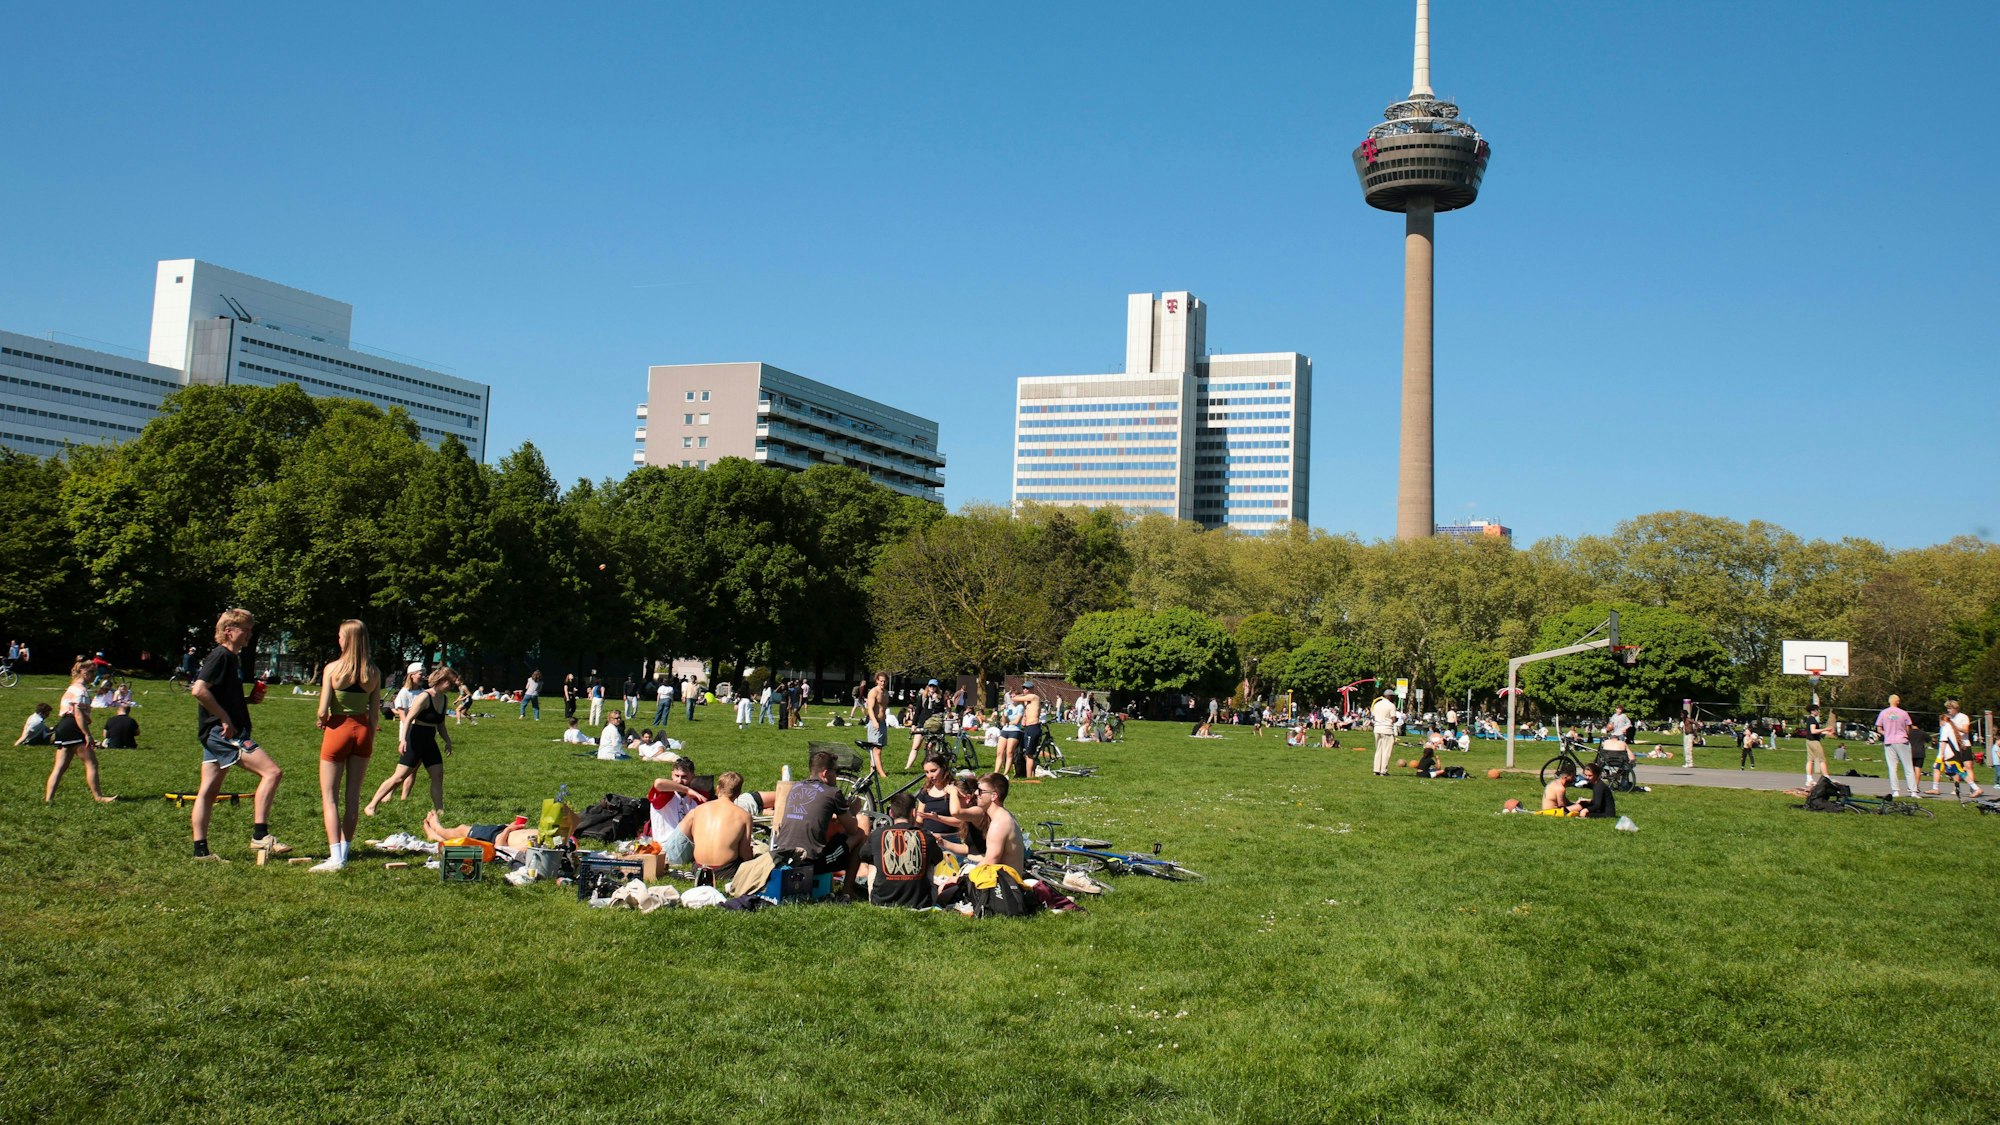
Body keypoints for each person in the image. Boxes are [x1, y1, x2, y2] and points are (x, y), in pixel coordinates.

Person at [190, 609, 284, 859]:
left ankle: (201, 852)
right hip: (223, 733)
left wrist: (246, 701)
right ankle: (260, 836)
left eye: (251, 630)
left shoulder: (232, 658)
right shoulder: (221, 656)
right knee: (272, 772)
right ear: (229, 631)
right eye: (246, 630)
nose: (249, 635)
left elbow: (219, 695)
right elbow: (199, 690)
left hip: (215, 732)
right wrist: (224, 718)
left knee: (208, 791)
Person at [311, 619, 381, 872]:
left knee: (330, 797)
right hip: (362, 731)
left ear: (347, 639)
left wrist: (323, 721)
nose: (338, 639)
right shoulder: (373, 672)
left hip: (338, 730)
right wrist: (370, 736)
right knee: (353, 797)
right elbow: (374, 715)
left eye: (340, 636)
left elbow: (322, 710)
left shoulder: (333, 669)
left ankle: (335, 857)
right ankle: (346, 849)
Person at [365, 665, 458, 816]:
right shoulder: (424, 697)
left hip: (429, 740)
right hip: (415, 738)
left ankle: (440, 810)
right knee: (399, 777)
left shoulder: (444, 698)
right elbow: (408, 719)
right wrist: (403, 740)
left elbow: (440, 724)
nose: (451, 686)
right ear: (441, 680)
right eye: (450, 683)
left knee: (437, 774)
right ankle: (371, 805)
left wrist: (447, 741)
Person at [773, 748, 866, 888]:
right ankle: (848, 891)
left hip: (782, 857)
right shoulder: (832, 792)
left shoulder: (796, 787)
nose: (837, 776)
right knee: (859, 833)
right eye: (836, 771)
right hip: (810, 862)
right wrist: (853, 810)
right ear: (825, 773)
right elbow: (852, 829)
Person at [45, 656, 116, 804]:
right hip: (73, 726)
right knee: (92, 763)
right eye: (91, 671)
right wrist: (87, 735)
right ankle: (99, 797)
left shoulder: (71, 687)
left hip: (63, 726)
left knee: (59, 767)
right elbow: (78, 713)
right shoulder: (81, 690)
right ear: (83, 671)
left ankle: (48, 799)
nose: (94, 675)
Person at [858, 792, 946, 909]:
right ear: (913, 813)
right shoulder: (925, 836)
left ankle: (879, 893)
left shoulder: (878, 834)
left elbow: (863, 855)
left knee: (872, 861)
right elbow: (938, 858)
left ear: (891, 813)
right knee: (929, 860)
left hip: (881, 902)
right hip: (921, 903)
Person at [680, 770, 755, 886]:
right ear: (738, 793)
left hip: (699, 868)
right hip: (725, 871)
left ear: (718, 788)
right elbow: (745, 854)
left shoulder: (699, 810)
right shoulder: (744, 816)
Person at [1930, 699, 1983, 797]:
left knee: (1967, 767)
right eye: (1947, 709)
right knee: (1956, 769)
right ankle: (1956, 788)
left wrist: (1953, 727)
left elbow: (1966, 730)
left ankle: (1973, 789)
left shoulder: (1963, 717)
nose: (1948, 711)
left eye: (1950, 708)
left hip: (1964, 745)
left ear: (1955, 708)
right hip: (1953, 747)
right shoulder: (1948, 719)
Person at [1874, 694, 1916, 798]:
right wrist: (1905, 734)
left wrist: (1887, 733)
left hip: (1889, 741)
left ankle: (1896, 791)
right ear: (1897, 701)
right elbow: (1908, 727)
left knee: (1892, 767)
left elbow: (1879, 729)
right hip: (1902, 740)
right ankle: (1913, 791)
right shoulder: (1903, 713)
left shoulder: (1883, 713)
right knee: (1908, 767)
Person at [856, 671, 890, 779]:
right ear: (877, 681)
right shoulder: (873, 692)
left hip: (883, 723)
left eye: (885, 681)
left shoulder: (886, 693)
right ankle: (882, 774)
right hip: (875, 723)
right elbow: (869, 708)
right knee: (877, 750)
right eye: (881, 681)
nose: (883, 683)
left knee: (876, 750)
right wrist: (874, 721)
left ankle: (872, 772)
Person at [1012, 683, 1045, 780]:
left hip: (1033, 727)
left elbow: (1014, 698)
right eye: (1024, 688)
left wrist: (1016, 695)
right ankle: (1027, 773)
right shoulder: (1027, 702)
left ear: (1031, 689)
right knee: (1026, 752)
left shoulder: (1034, 697)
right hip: (1027, 727)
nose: (1025, 690)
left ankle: (1029, 776)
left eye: (1027, 688)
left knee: (1029, 754)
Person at [1370, 692, 1399, 777]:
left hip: (1377, 729)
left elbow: (1374, 717)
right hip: (1387, 729)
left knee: (1378, 750)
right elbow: (1393, 719)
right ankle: (1383, 770)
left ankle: (1376, 769)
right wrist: (1397, 719)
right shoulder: (1391, 705)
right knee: (1386, 751)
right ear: (1389, 696)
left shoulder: (1377, 704)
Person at [1802, 705, 1830, 789]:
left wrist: (1826, 733)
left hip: (1809, 740)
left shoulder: (1809, 719)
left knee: (1810, 760)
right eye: (1817, 710)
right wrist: (1825, 729)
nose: (1818, 712)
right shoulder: (1812, 719)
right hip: (1814, 742)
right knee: (1822, 759)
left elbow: (1813, 731)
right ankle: (1826, 777)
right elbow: (1813, 731)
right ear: (1813, 711)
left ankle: (1809, 779)